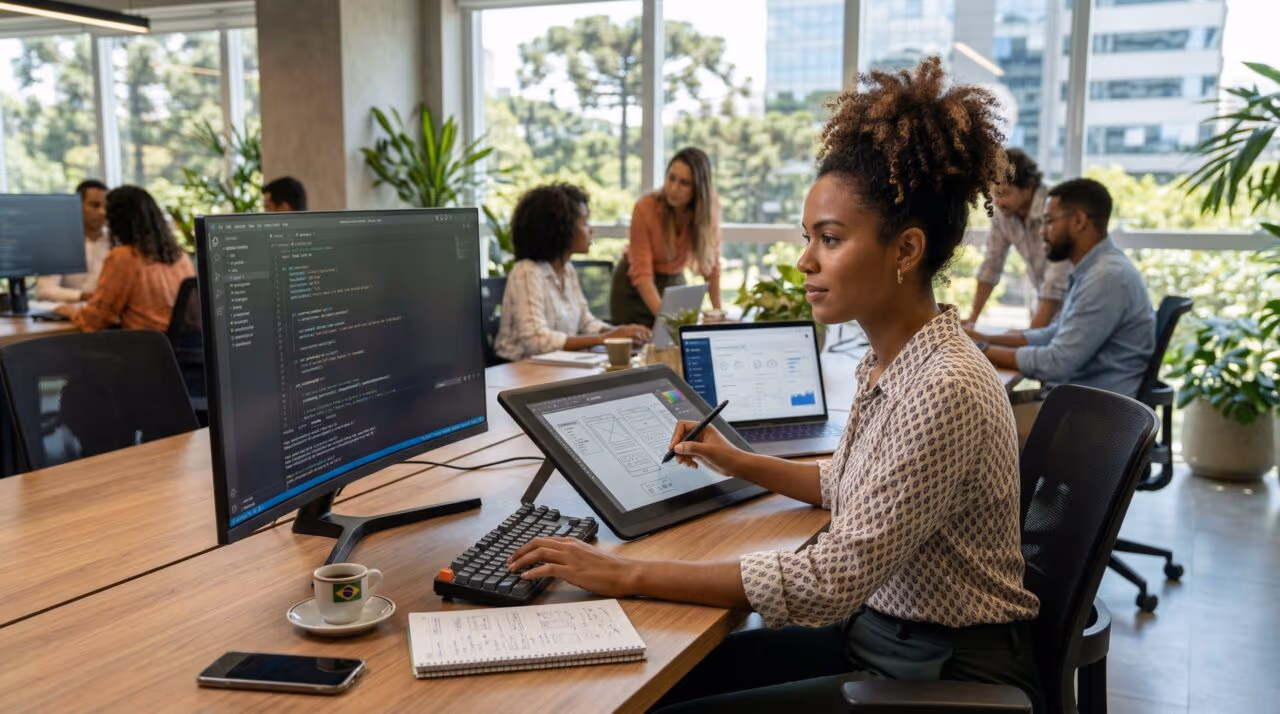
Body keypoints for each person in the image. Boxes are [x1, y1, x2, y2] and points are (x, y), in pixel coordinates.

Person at [507, 57, 1043, 712]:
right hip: (880, 634)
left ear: (905, 251)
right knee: (661, 684)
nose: (805, 259)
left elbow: (828, 580)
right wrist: (737, 461)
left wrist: (627, 572)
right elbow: (848, 487)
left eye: (830, 238)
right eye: (806, 236)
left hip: (939, 668)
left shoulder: (944, 386)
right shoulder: (893, 363)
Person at [965, 178, 1155, 444]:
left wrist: (980, 348)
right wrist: (980, 336)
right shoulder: (1095, 269)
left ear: (1078, 221)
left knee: (972, 430)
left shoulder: (1105, 278)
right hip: (1082, 402)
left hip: (1096, 418)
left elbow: (1057, 361)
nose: (1042, 233)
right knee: (980, 411)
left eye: (1049, 221)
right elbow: (1052, 334)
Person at [494, 184, 651, 362]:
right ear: (561, 229)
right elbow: (536, 341)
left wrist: (623, 333)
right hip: (519, 370)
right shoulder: (526, 272)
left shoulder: (567, 270)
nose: (591, 230)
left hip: (554, 367)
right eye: (584, 222)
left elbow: (585, 323)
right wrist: (606, 338)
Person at [54, 186, 195, 332]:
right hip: (181, 350)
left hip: (146, 348)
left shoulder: (125, 257)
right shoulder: (181, 257)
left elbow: (95, 321)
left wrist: (70, 311)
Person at [610, 147, 721, 327]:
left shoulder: (709, 208)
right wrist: (668, 322)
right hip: (634, 291)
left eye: (684, 183)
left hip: (674, 284)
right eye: (671, 178)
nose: (673, 188)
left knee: (677, 348)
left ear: (699, 189)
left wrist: (718, 313)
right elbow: (642, 275)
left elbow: (712, 267)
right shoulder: (645, 208)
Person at [965, 149, 1070, 329]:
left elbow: (1057, 280)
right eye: (994, 194)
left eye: (1004, 193)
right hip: (1045, 304)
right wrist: (972, 319)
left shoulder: (1055, 206)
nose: (998, 202)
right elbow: (992, 264)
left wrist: (1029, 337)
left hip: (1073, 306)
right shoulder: (1004, 214)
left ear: (1028, 186)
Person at [36, 179, 112, 303]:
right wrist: (85, 296)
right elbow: (45, 291)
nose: (103, 212)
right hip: (68, 314)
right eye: (95, 205)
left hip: (108, 312)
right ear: (76, 206)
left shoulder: (118, 242)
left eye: (106, 207)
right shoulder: (57, 242)